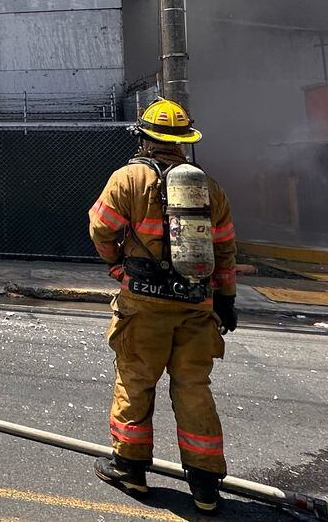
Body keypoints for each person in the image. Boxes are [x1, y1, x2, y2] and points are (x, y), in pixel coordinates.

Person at [88, 98, 238, 514]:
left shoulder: (128, 179)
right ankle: (205, 487)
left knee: (135, 382)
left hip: (143, 304)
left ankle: (130, 470)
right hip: (196, 305)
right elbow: (225, 249)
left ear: (144, 136)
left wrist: (116, 262)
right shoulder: (209, 187)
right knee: (194, 389)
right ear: (185, 141)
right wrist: (226, 299)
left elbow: (101, 229)